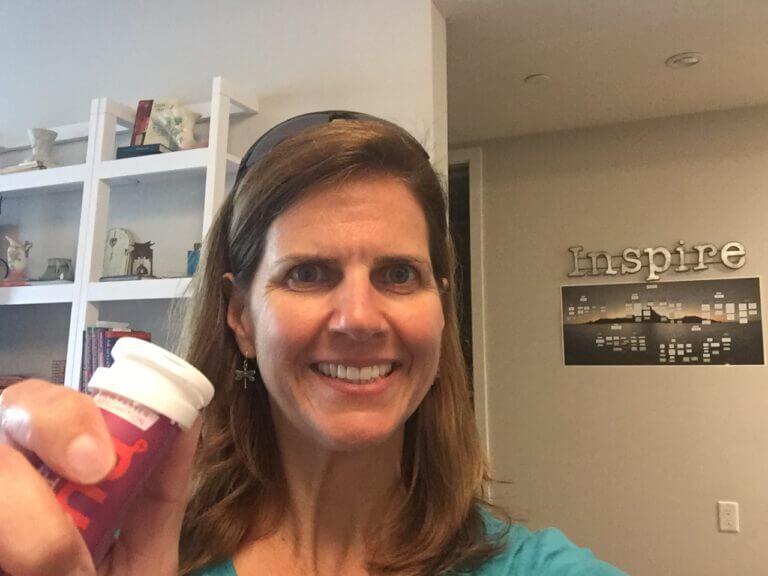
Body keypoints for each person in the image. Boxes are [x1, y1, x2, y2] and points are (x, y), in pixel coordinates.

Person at [0, 112, 627, 576]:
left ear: (440, 311)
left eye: (398, 274)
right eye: (307, 274)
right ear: (241, 317)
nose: (359, 318)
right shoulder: (122, 555)